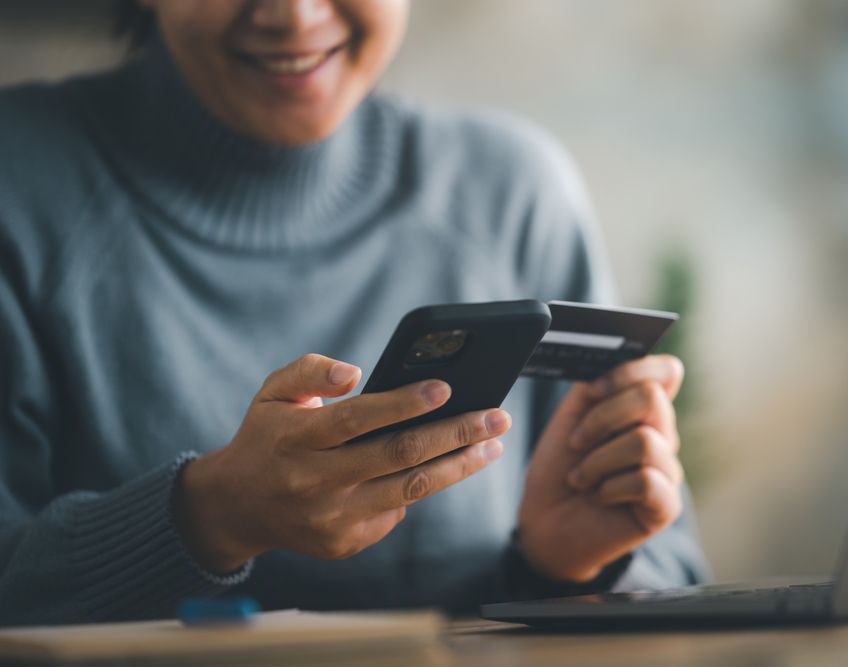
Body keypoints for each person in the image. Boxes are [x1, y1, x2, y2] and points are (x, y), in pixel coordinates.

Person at [0, 0, 709, 625]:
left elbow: (673, 576)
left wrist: (560, 570)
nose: (292, 14)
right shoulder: (21, 184)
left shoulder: (513, 192)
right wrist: (210, 515)